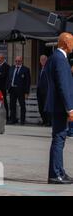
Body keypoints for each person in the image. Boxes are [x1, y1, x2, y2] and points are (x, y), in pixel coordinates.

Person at [45, 32, 73, 184]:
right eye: (72, 42)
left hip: (56, 105)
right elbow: (63, 86)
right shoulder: (60, 59)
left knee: (59, 138)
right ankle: (56, 174)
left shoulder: (55, 57)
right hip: (60, 106)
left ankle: (59, 171)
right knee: (59, 139)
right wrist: (70, 108)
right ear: (65, 43)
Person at [7, 56, 31, 125]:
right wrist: (8, 87)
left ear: (21, 61)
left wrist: (27, 92)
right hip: (12, 89)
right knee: (12, 105)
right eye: (16, 61)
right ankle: (13, 119)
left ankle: (22, 120)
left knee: (22, 105)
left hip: (21, 90)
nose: (17, 62)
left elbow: (28, 82)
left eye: (19, 61)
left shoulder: (25, 69)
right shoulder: (12, 68)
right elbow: (9, 78)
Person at [37, 55, 51, 127]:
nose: (43, 61)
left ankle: (48, 121)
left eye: (44, 59)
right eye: (41, 60)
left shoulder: (49, 68)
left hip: (46, 91)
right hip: (40, 91)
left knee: (46, 107)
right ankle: (44, 120)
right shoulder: (41, 69)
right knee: (41, 107)